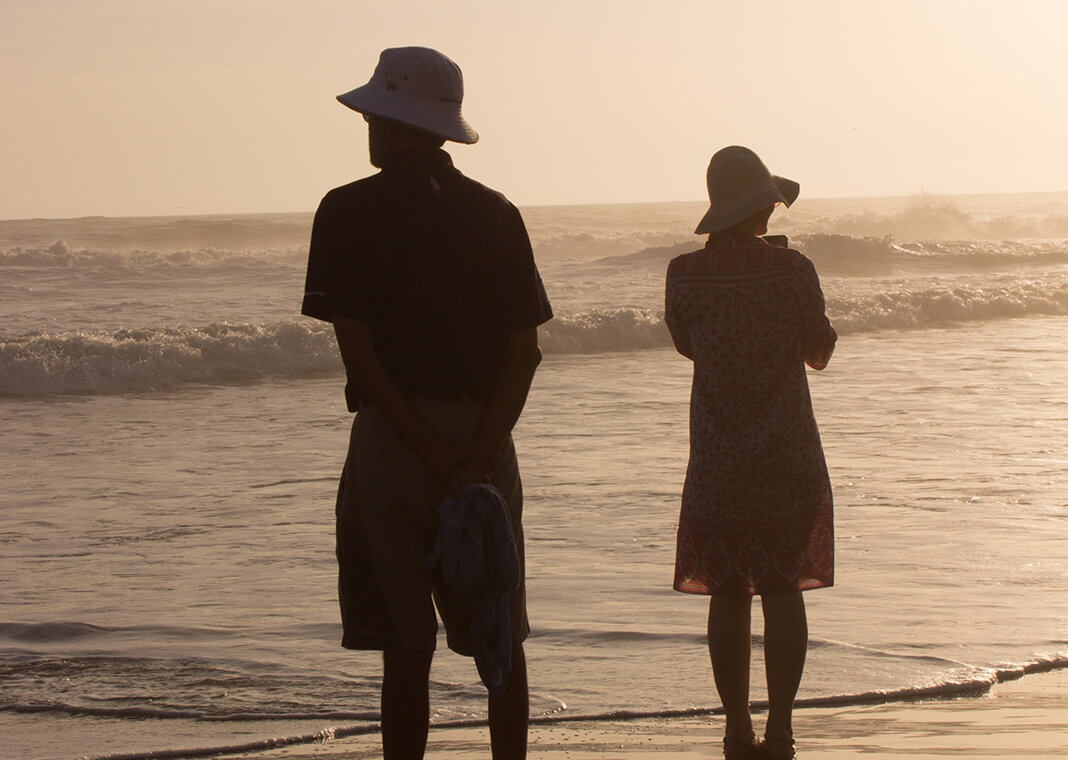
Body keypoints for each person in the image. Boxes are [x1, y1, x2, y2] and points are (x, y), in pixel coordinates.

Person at [301, 46, 552, 760]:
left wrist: (425, 447)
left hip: (393, 442)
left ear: (387, 119)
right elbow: (523, 351)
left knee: (405, 647)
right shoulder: (497, 214)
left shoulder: (346, 211)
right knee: (498, 635)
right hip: (484, 438)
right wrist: (475, 453)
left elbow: (359, 353)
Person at [664, 146, 836, 760]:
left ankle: (737, 729)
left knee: (728, 592)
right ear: (760, 205)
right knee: (782, 588)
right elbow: (819, 349)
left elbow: (689, 346)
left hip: (717, 457)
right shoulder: (793, 270)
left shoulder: (683, 273)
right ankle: (781, 729)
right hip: (787, 450)